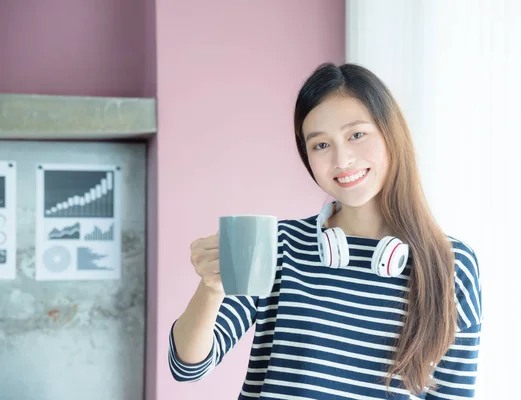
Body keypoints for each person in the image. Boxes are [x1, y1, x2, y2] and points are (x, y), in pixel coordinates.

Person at [168, 63, 482, 399]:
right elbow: (188, 366)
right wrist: (212, 287)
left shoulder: (452, 265)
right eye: (321, 145)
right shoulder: (279, 246)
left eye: (356, 135)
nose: (342, 159)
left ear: (391, 133)